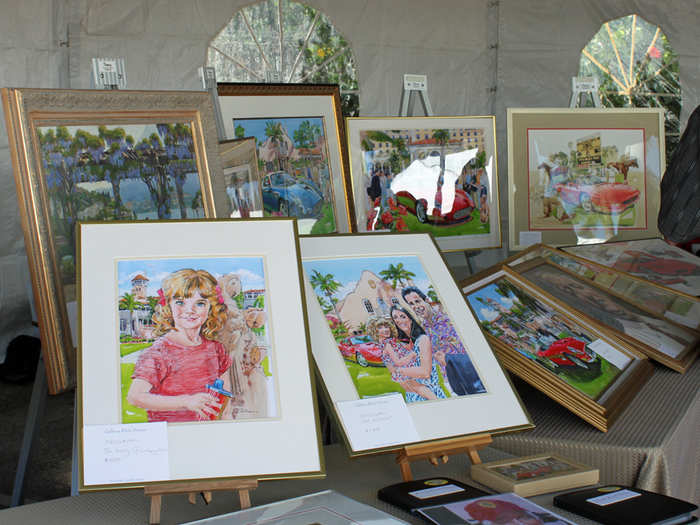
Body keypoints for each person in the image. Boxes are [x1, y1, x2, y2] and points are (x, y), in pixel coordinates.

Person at [127, 269, 234, 422]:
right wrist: (185, 402)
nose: (190, 310)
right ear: (167, 305)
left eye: (200, 303)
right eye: (180, 302)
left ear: (212, 308)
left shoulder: (216, 349)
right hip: (171, 435)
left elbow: (226, 395)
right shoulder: (159, 353)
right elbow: (135, 396)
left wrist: (227, 418)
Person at [402, 286, 485, 395]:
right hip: (450, 381)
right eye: (411, 304)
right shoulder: (422, 330)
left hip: (471, 374)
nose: (416, 306)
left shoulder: (450, 320)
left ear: (426, 300)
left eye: (418, 301)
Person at [367, 316, 438, 401]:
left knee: (417, 394)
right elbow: (398, 362)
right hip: (405, 373)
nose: (385, 329)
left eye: (386, 326)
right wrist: (411, 354)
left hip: (403, 373)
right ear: (375, 331)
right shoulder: (387, 344)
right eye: (380, 328)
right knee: (422, 390)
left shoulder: (386, 343)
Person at [389, 306, 446, 402]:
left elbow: (425, 372)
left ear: (410, 319)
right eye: (395, 317)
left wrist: (399, 371)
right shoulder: (402, 345)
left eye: (402, 316)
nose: (399, 320)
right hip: (413, 396)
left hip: (430, 395)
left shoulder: (422, 339)